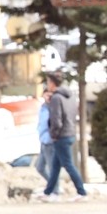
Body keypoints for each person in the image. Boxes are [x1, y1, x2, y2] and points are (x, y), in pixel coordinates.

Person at [38, 71, 87, 202]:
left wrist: (54, 135)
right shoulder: (70, 95)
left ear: (53, 83)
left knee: (68, 164)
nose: (47, 85)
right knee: (55, 166)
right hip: (70, 132)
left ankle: (81, 191)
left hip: (61, 136)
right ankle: (49, 193)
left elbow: (56, 119)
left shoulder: (56, 98)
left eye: (48, 82)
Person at [34, 88, 56, 193]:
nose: (47, 97)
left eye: (49, 95)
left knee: (52, 168)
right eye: (46, 95)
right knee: (39, 167)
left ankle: (54, 190)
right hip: (43, 140)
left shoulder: (54, 108)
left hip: (49, 141)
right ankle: (52, 186)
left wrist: (51, 137)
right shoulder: (43, 107)